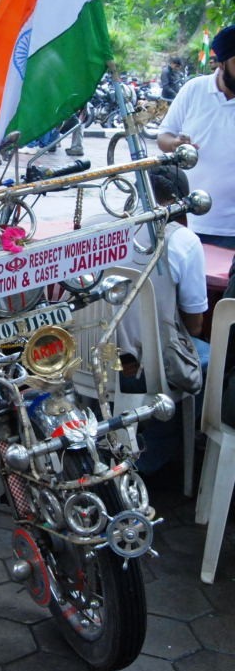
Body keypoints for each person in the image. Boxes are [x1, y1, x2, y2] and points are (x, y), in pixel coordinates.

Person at [118, 165, 208, 474]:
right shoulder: (182, 240)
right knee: (208, 358)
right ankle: (161, 449)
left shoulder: (105, 229)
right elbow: (195, 325)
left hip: (94, 361)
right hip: (146, 368)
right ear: (180, 200)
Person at [158, 25, 235, 249]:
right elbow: (164, 137)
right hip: (191, 221)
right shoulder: (194, 90)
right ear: (221, 63)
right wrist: (175, 144)